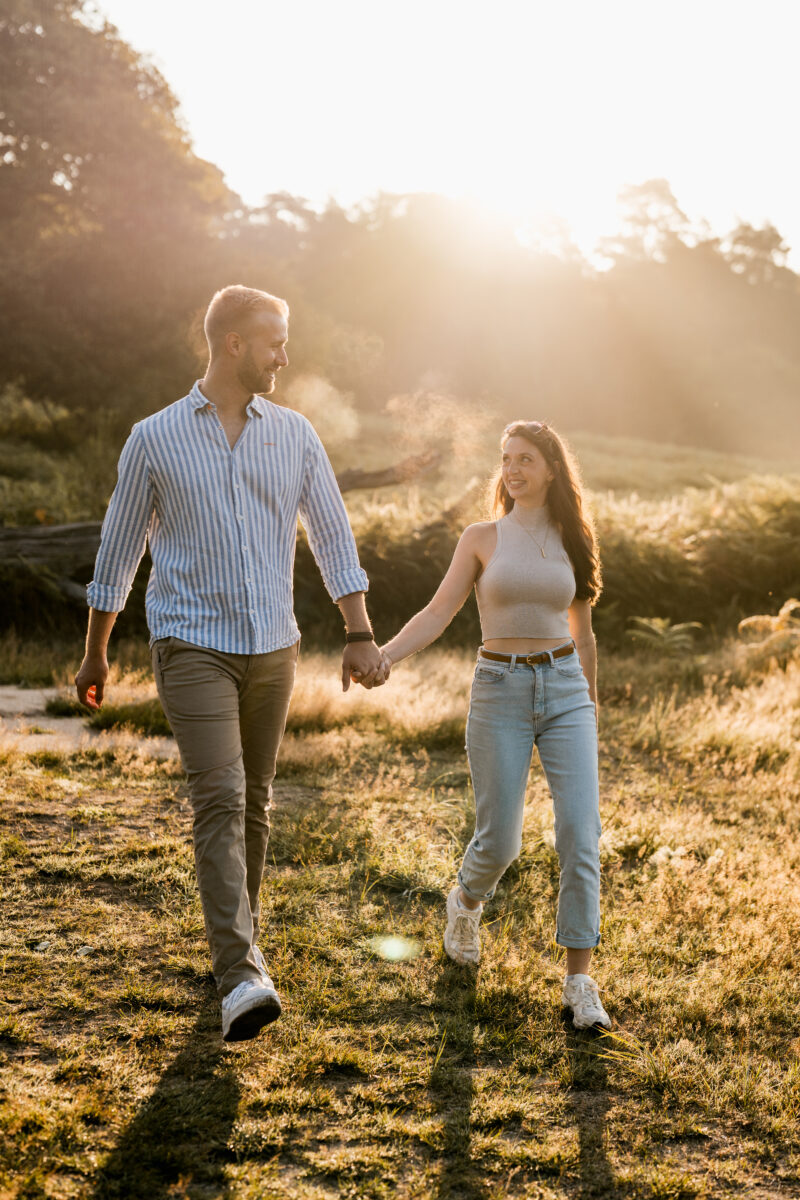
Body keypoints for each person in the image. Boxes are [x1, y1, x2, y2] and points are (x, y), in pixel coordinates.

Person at [74, 285, 386, 1043]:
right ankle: (240, 973)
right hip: (190, 642)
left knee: (254, 803)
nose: (285, 354)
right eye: (274, 340)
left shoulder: (295, 434)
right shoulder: (154, 438)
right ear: (234, 343)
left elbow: (332, 534)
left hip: (272, 645)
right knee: (219, 795)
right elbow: (119, 551)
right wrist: (96, 649)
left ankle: (236, 953)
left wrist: (359, 630)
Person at [379, 420, 610, 1030]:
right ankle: (465, 900)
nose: (512, 469)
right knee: (502, 839)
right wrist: (386, 656)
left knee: (580, 837)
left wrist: (588, 706)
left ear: (553, 469)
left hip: (564, 691)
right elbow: (438, 610)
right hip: (500, 690)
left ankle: (579, 981)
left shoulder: (574, 537)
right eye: (506, 459)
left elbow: (584, 634)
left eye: (526, 459)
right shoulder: (482, 538)